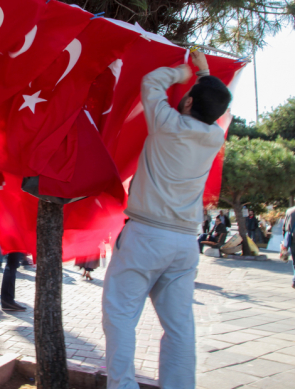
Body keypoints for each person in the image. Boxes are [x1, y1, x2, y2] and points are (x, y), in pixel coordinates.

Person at [102, 50, 231, 389]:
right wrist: (203, 75)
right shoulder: (214, 136)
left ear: (188, 102)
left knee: (120, 316)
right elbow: (210, 105)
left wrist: (183, 73)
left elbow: (151, 81)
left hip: (146, 235)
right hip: (185, 242)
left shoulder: (166, 124)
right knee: (179, 326)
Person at [283, 205, 295, 289]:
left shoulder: (289, 211)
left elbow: (285, 227)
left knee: (294, 261)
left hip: (292, 240)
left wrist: (285, 243)